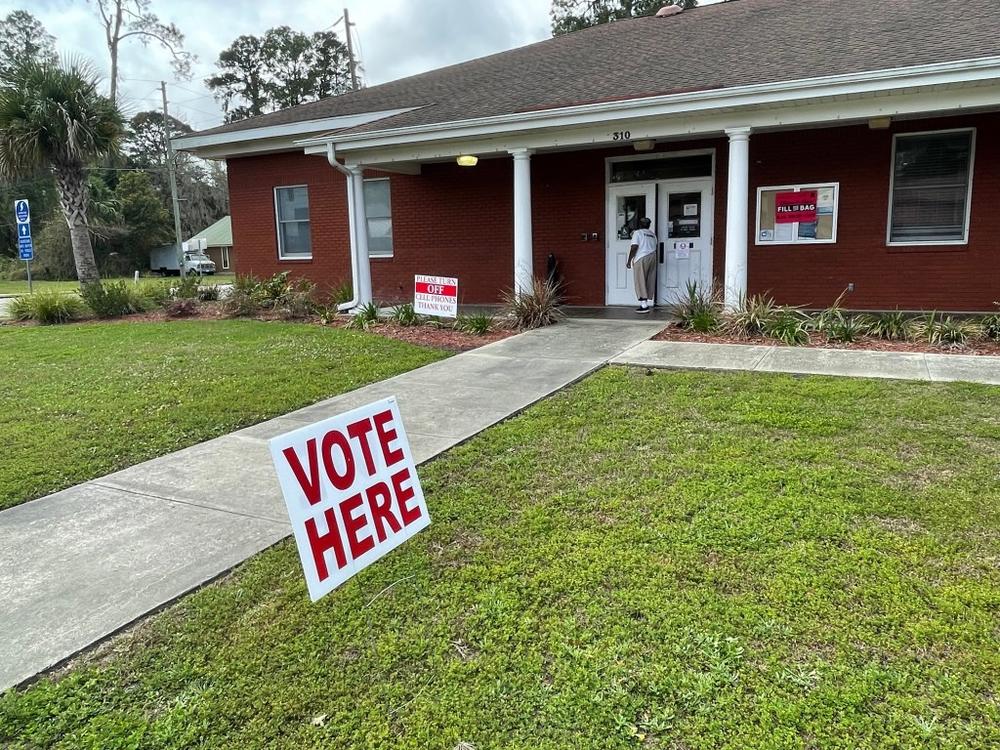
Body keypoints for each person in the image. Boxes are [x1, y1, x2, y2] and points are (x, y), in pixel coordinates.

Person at [625, 217, 657, 313]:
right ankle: (646, 302)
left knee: (640, 280)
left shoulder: (638, 233)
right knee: (649, 279)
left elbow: (634, 247)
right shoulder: (652, 234)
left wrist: (629, 260)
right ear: (649, 225)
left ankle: (644, 305)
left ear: (640, 224)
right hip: (652, 256)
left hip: (641, 257)